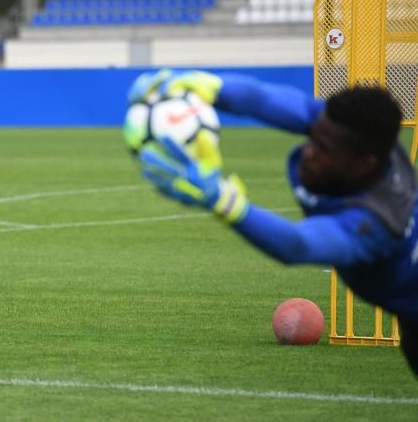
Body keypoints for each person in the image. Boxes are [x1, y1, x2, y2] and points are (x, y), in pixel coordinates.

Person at [129, 70, 418, 378]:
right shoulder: (353, 134)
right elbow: (261, 98)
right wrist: (208, 85)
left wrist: (223, 201)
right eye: (312, 137)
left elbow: (298, 245)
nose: (309, 152)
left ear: (365, 164)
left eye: (325, 150)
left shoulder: (376, 222)